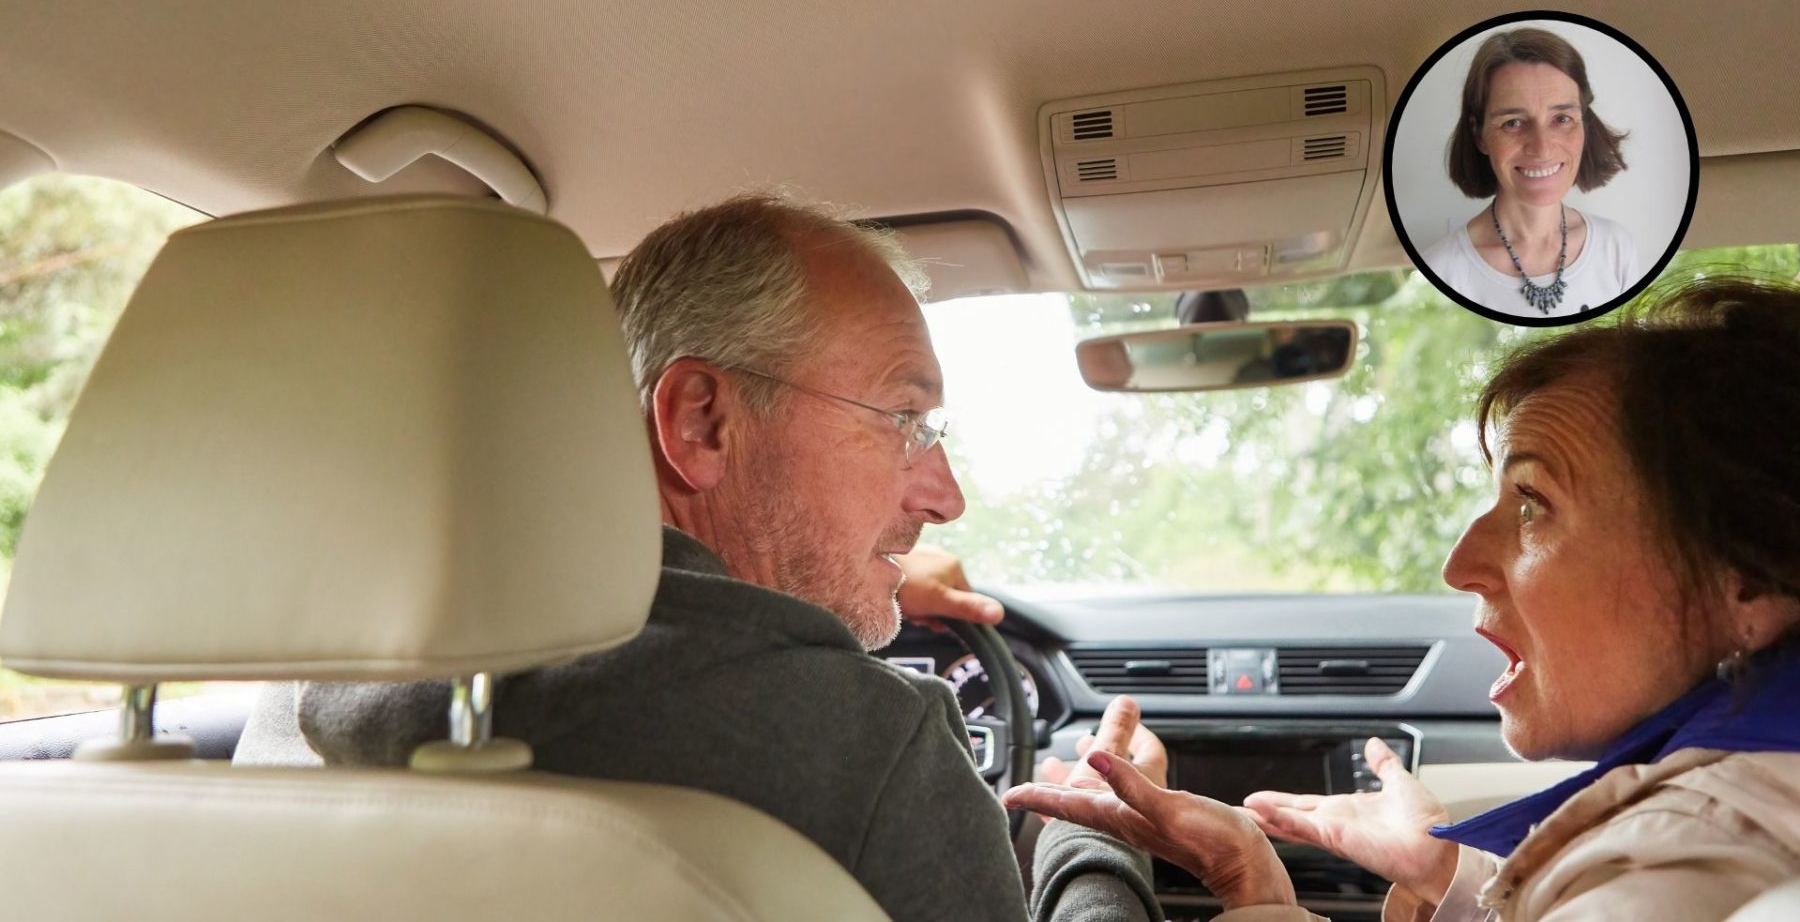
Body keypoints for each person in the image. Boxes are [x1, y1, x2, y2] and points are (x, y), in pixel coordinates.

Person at [235, 193, 1162, 922]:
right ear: (700, 420)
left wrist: (804, 585)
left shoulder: (309, 700)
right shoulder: (868, 742)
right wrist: (1099, 846)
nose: (943, 495)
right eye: (904, 422)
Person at [1006, 277, 1800, 920]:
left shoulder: (1683, 861)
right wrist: (1443, 869)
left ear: (1749, 578)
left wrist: (1113, 864)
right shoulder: (1729, 819)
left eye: (1531, 505)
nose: (1460, 565)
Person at [1418, 28, 1638, 319]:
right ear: (1479, 135)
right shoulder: (1441, 270)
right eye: (1513, 123)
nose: (1542, 148)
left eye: (1562, 119)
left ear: (1585, 125)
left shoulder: (1616, 247)